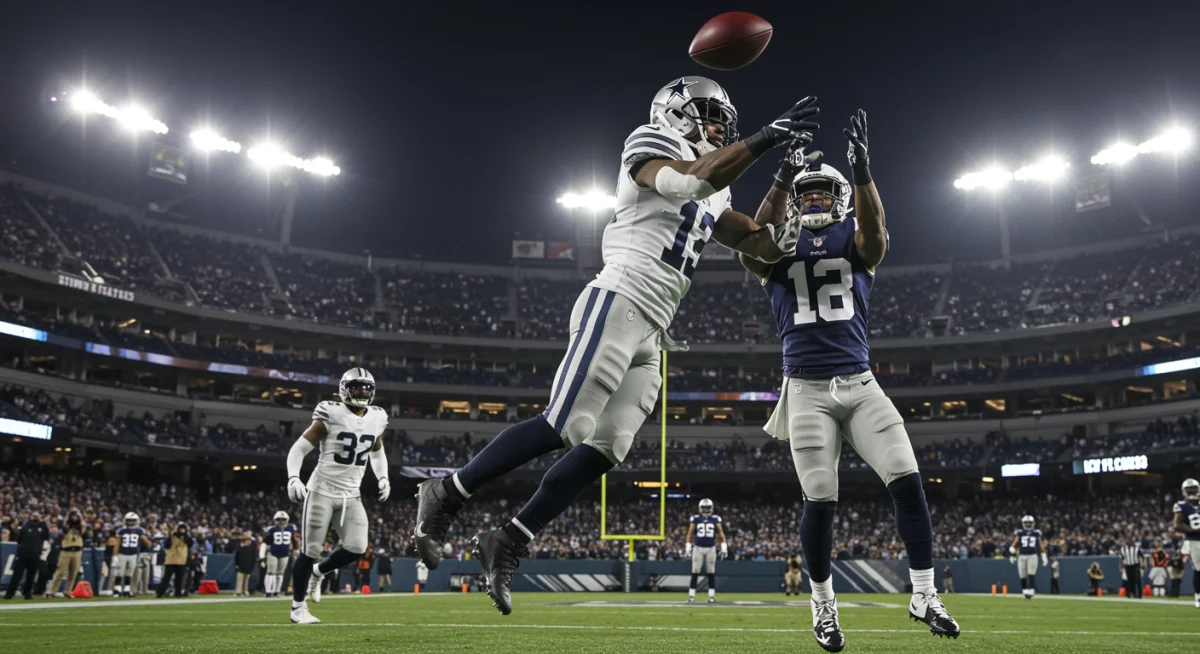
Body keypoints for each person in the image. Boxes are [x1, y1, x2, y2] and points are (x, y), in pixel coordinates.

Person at [412, 76, 820, 617]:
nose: (720, 124)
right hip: (620, 296)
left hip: (655, 326)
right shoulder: (650, 142)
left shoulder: (716, 182)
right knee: (565, 424)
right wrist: (766, 139)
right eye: (708, 112)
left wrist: (785, 188)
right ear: (675, 110)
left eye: (725, 117)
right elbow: (687, 182)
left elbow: (754, 241)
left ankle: (509, 539)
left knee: (607, 448)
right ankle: (448, 493)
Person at [742, 110, 959, 651]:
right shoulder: (778, 244)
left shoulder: (855, 238)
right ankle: (823, 607)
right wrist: (776, 179)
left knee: (907, 479)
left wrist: (862, 172)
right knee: (820, 499)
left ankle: (925, 593)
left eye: (822, 193)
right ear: (796, 201)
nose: (813, 200)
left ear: (837, 199)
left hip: (860, 384)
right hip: (806, 391)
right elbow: (750, 241)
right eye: (805, 193)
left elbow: (876, 235)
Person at [285, 368, 391, 624]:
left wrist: (383, 477)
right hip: (321, 491)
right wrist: (293, 476)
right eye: (356, 386)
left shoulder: (377, 417)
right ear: (344, 388)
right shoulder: (330, 413)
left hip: (351, 495)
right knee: (310, 550)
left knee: (357, 547)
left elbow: (377, 451)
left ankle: (319, 572)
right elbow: (299, 449)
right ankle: (298, 608)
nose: (362, 392)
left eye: (366, 388)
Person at [685, 498, 727, 604]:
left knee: (711, 572)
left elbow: (721, 534)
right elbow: (690, 533)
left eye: (708, 508)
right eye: (704, 508)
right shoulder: (695, 519)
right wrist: (688, 546)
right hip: (698, 547)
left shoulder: (715, 519)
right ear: (700, 508)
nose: (706, 510)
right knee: (695, 571)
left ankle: (711, 597)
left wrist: (724, 547)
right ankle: (691, 596)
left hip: (711, 548)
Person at [4, 511, 49, 600]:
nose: (35, 518)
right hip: (23, 555)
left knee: (31, 576)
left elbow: (46, 536)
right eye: (34, 516)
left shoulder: (42, 528)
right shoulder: (26, 527)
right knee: (17, 575)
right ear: (31, 517)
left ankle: (28, 593)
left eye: (37, 516)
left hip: (35, 555)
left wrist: (43, 522)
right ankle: (9, 594)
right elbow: (19, 539)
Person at [1171, 478, 1200, 608]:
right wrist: (1193, 530)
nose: (1192, 493)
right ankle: (1198, 596)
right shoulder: (1182, 506)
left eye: (1193, 490)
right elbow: (1177, 525)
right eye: (1190, 490)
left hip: (1194, 540)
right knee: (1199, 570)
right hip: (1195, 541)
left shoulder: (1182, 505)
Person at [47, 510, 85, 598]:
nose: (75, 518)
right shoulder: (65, 526)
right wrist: (69, 523)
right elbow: (62, 532)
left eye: (76, 516)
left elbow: (85, 533)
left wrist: (79, 521)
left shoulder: (80, 527)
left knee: (73, 573)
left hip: (77, 551)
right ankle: (52, 591)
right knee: (60, 572)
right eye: (74, 516)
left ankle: (68, 591)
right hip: (66, 551)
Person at [262, 511, 299, 598]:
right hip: (273, 553)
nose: (281, 521)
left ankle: (276, 591)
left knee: (280, 573)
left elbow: (294, 540)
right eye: (278, 519)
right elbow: (266, 543)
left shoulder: (291, 528)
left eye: (283, 519)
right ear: (275, 520)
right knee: (271, 572)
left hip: (285, 554)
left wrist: (295, 549)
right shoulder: (271, 529)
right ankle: (268, 591)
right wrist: (262, 556)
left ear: (287, 520)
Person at [1009, 515, 1047, 600]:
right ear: (1023, 523)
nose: (1028, 525)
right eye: (1027, 523)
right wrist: (1013, 555)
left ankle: (1031, 590)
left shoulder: (1036, 533)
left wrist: (1044, 555)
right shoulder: (1020, 533)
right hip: (1022, 555)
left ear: (1033, 523)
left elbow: (1040, 544)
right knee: (1022, 575)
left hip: (1032, 555)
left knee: (1031, 573)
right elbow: (1015, 544)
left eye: (1030, 523)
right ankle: (1025, 590)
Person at [113, 512, 148, 598]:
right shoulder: (139, 531)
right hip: (127, 554)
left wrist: (115, 555)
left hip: (128, 554)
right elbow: (146, 541)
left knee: (127, 573)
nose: (131, 522)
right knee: (122, 573)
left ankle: (125, 590)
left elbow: (117, 543)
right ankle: (118, 590)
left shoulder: (121, 531)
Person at [157, 522, 191, 598]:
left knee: (178, 578)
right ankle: (160, 592)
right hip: (172, 559)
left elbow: (190, 544)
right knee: (167, 578)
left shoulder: (185, 537)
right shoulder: (173, 536)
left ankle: (177, 592)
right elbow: (167, 545)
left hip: (180, 560)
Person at [235, 532, 258, 597]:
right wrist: (237, 565)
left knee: (246, 581)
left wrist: (252, 566)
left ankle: (245, 591)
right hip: (241, 566)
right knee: (240, 580)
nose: (249, 542)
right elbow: (237, 557)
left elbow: (254, 558)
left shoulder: (252, 549)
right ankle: (238, 592)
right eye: (248, 541)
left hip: (248, 567)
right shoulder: (240, 548)